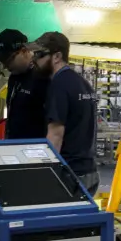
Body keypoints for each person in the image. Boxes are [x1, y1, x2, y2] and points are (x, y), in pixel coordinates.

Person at [31, 32, 99, 195]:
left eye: (39, 55)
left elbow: (55, 134)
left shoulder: (59, 85)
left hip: (70, 174)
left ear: (57, 56)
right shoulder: (83, 84)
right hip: (90, 171)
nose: (35, 60)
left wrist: (44, 173)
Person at [0, 29, 49, 140]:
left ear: (24, 51)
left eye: (9, 60)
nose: (6, 66)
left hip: (36, 148)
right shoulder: (14, 78)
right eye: (2, 62)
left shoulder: (43, 78)